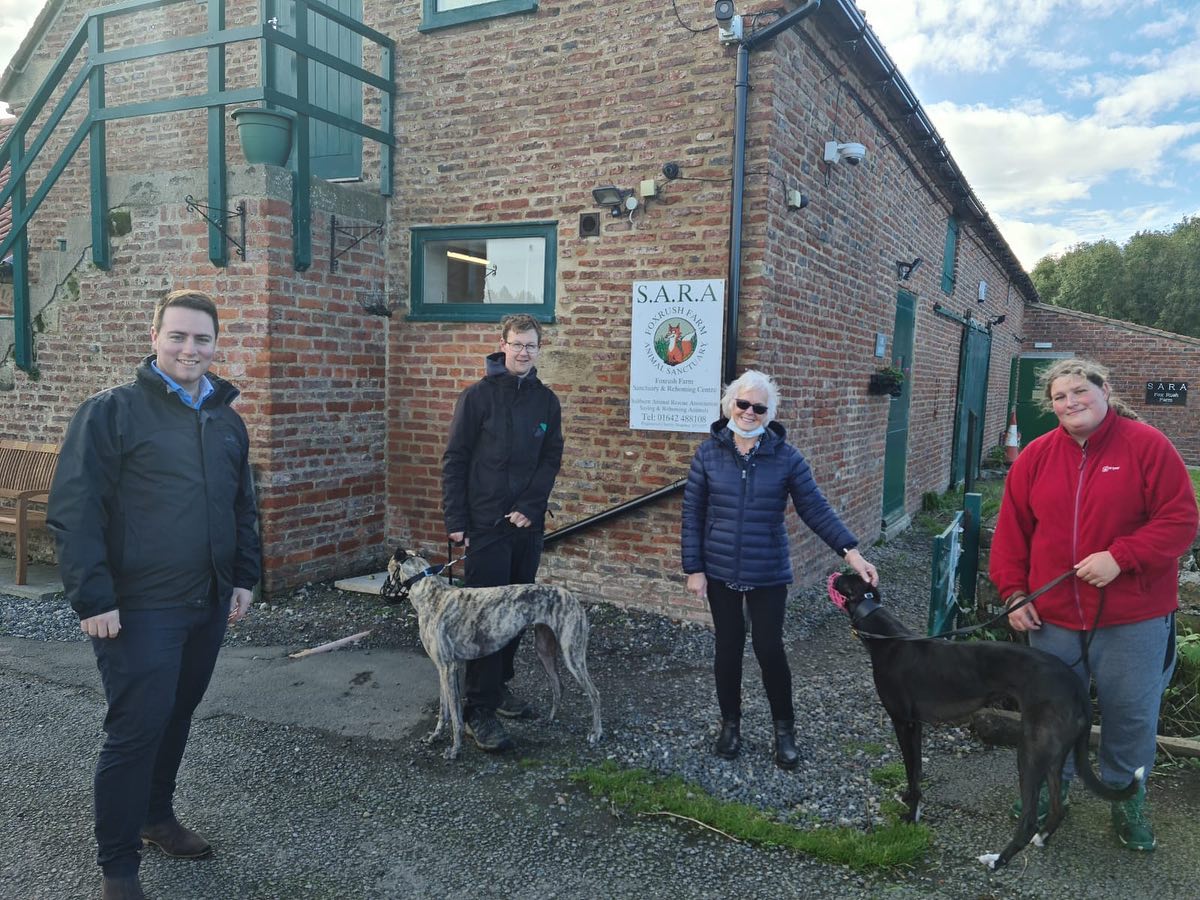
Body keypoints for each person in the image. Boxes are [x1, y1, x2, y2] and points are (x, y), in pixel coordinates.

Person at [47, 289, 261, 900]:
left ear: (216, 345)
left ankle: (155, 817)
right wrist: (92, 599)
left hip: (208, 603)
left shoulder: (227, 419)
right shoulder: (112, 412)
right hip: (138, 609)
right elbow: (75, 510)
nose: (190, 348)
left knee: (176, 717)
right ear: (154, 338)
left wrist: (243, 577)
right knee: (135, 729)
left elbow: (241, 505)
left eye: (202, 339)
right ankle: (118, 869)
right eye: (178, 336)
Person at [990, 358, 1197, 852]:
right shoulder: (1036, 457)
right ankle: (1045, 791)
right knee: (1050, 712)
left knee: (1131, 714)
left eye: (1080, 391)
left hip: (1134, 618)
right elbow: (1012, 533)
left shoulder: (1148, 447)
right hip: (1053, 617)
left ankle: (1127, 798)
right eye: (1060, 397)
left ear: (1105, 390)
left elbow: (1180, 522)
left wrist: (1120, 558)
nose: (1070, 403)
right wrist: (1015, 594)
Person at [681, 369, 878, 769]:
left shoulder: (786, 457)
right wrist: (694, 569)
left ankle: (783, 730)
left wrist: (851, 553)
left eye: (758, 407)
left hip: (768, 571)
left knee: (769, 649)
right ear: (729, 405)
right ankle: (730, 725)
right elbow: (693, 514)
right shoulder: (708, 453)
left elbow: (814, 507)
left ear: (768, 414)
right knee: (728, 649)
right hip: (719, 570)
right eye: (743, 404)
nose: (749, 412)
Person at [441, 313, 564, 753]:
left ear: (538, 349)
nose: (524, 352)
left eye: (531, 345)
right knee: (486, 621)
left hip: (526, 529)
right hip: (486, 527)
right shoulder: (476, 398)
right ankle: (478, 709)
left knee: (517, 616)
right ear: (502, 344)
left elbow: (550, 460)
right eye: (517, 344)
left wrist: (530, 509)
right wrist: (456, 522)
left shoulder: (546, 402)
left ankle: (500, 687)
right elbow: (455, 461)